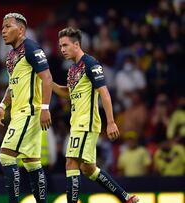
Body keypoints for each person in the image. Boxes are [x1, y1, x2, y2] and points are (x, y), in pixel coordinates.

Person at [52, 27, 139, 203]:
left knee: (71, 162)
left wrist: (111, 122)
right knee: (88, 168)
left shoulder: (90, 63)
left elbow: (104, 93)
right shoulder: (72, 70)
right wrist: (49, 83)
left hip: (86, 122)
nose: (62, 49)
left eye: (65, 45)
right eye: (60, 46)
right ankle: (126, 198)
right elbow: (68, 93)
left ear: (76, 44)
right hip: (77, 123)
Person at [0, 13, 53, 203]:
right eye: (2, 27)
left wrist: (45, 107)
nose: (3, 31)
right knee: (31, 163)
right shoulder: (11, 55)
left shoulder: (31, 48)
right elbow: (13, 85)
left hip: (29, 112)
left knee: (5, 156)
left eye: (8, 27)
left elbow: (47, 78)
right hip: (20, 113)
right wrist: (3, 104)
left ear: (21, 30)